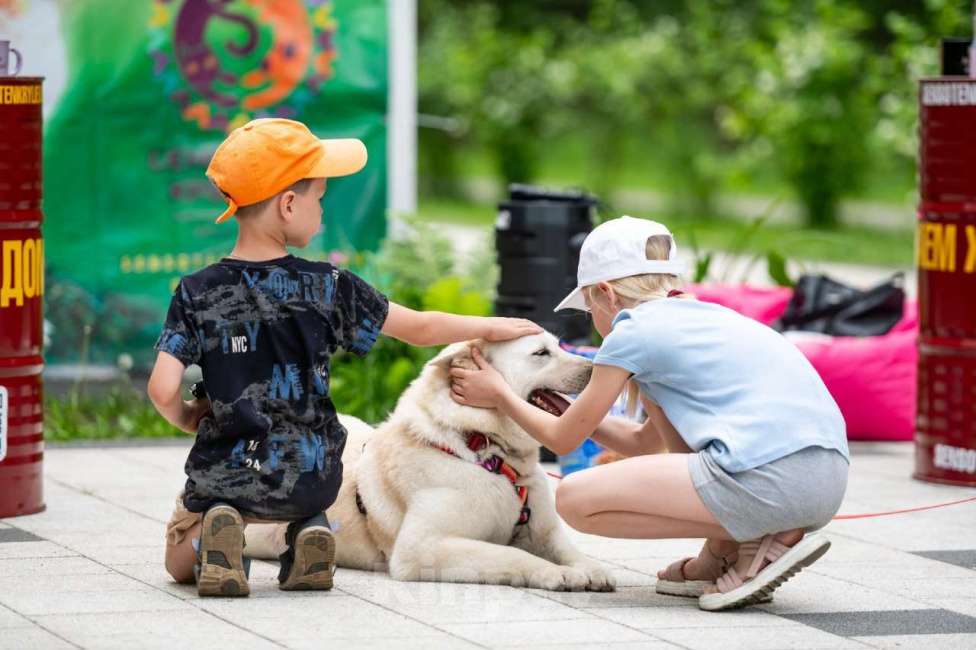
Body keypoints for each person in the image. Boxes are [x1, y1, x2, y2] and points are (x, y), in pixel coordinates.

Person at [147, 118, 541, 597]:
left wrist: (190, 416)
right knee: (299, 502)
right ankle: (308, 529)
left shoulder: (196, 291)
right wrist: (489, 326)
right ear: (288, 204)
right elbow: (419, 328)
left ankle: (219, 531)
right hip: (314, 475)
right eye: (319, 199)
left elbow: (162, 389)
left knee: (178, 558)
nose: (322, 212)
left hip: (230, 473)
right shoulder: (328, 285)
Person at [449, 215, 849, 611]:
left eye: (589, 309)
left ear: (606, 293)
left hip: (771, 482)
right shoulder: (711, 319)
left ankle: (757, 538)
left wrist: (499, 393)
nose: (595, 324)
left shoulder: (633, 333)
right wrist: (567, 409)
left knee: (574, 499)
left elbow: (563, 439)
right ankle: (726, 548)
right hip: (827, 481)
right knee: (682, 456)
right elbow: (644, 444)